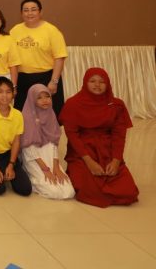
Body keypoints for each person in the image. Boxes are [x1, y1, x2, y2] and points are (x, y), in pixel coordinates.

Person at [59, 68, 139, 207]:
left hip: (107, 151)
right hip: (81, 153)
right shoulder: (73, 104)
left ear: (107, 84)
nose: (97, 85)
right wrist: (89, 162)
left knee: (129, 192)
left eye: (102, 82)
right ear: (85, 82)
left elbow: (119, 135)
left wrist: (116, 161)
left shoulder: (116, 105)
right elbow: (72, 135)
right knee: (88, 190)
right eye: (92, 81)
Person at [10, 0, 67, 115]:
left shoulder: (52, 30)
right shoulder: (15, 31)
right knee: (22, 115)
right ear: (21, 13)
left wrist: (54, 81)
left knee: (49, 114)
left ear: (40, 12)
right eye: (26, 10)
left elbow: (59, 58)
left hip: (46, 78)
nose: (29, 13)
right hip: (23, 79)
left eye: (33, 9)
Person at [0, 77, 32, 196]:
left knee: (25, 189)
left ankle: (5, 169)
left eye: (8, 92)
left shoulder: (18, 115)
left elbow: (16, 142)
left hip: (8, 154)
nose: (5, 96)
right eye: (0, 92)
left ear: (13, 94)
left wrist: (11, 165)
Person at [20, 84, 75, 199]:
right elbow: (28, 148)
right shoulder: (27, 117)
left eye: (47, 96)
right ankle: (31, 177)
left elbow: (53, 143)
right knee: (53, 192)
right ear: (32, 99)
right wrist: (45, 169)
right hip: (34, 158)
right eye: (39, 98)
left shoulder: (51, 115)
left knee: (69, 192)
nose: (45, 100)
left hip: (49, 155)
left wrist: (56, 167)